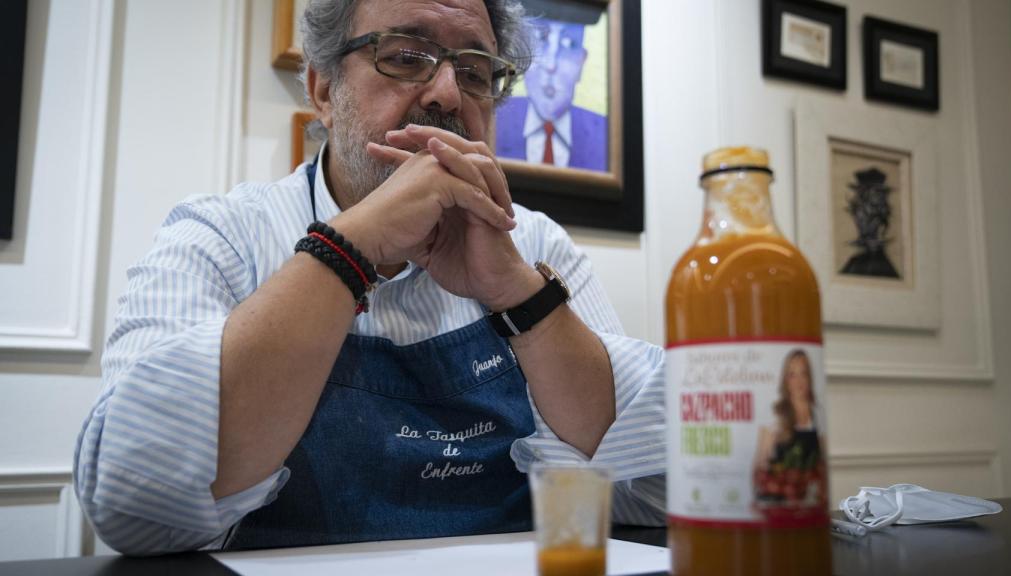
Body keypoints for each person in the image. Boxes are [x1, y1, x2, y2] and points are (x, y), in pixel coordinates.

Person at [73, 0, 665, 555]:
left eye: (475, 71)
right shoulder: (226, 236)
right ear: (323, 90)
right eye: (406, 56)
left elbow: (654, 487)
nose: (447, 93)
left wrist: (517, 295)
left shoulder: (533, 247)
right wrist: (348, 250)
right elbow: (135, 505)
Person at [495, 11, 608, 171]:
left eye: (569, 44)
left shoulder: (605, 136)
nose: (551, 65)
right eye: (541, 39)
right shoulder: (494, 120)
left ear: (582, 62)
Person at [754, 350, 826, 507]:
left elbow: (822, 464)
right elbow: (759, 467)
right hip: (778, 502)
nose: (799, 381)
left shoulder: (817, 413)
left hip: (808, 502)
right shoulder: (774, 413)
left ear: (810, 377)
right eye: (792, 375)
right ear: (785, 380)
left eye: (803, 373)